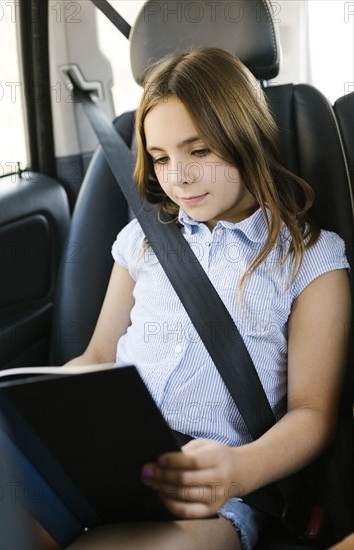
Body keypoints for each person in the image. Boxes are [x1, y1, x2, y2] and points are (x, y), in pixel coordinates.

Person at [65, 47, 351, 550]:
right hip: (107, 459)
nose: (178, 176)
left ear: (248, 139)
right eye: (160, 158)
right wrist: (32, 406)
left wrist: (240, 470)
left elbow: (313, 414)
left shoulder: (310, 260)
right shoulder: (144, 240)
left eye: (199, 152)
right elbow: (98, 356)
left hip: (215, 493)